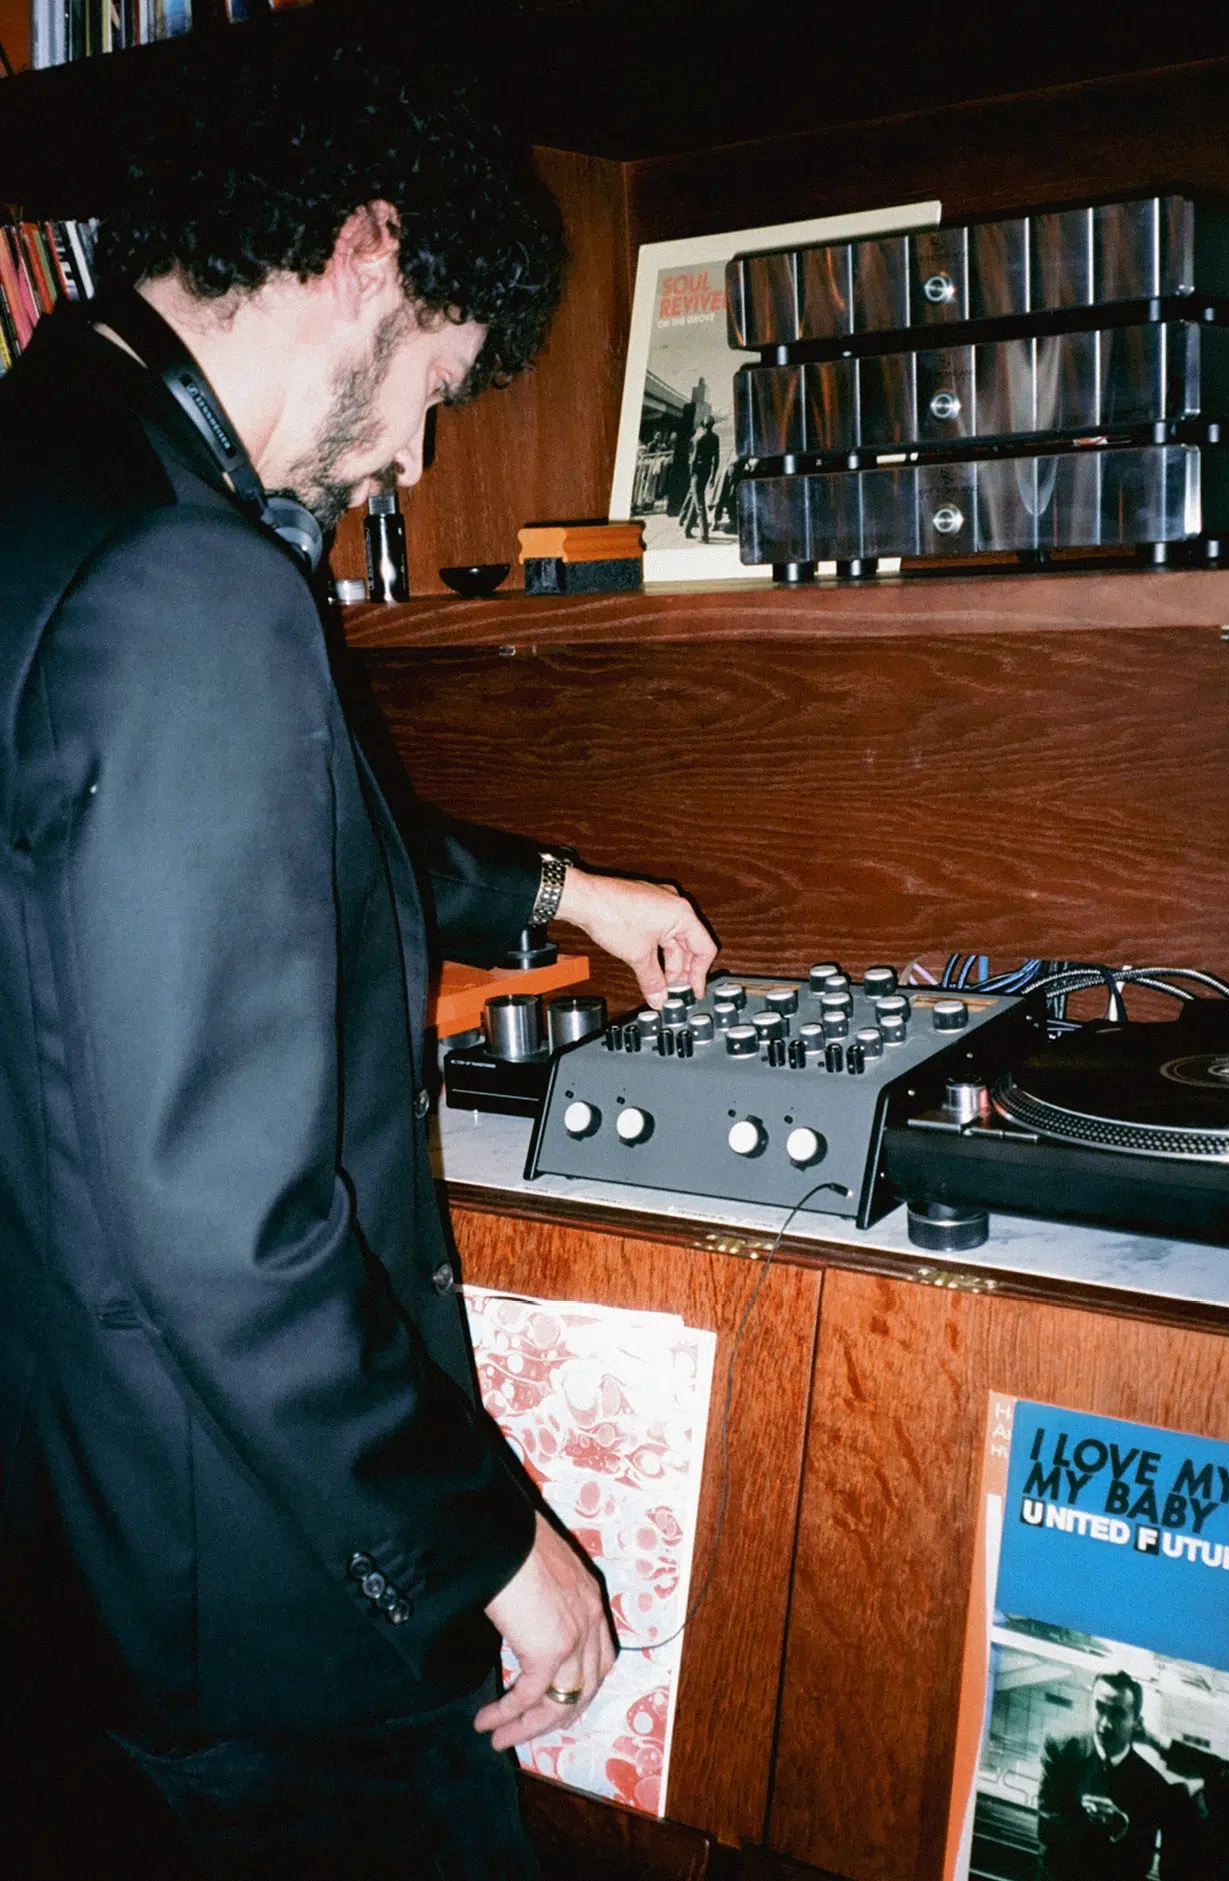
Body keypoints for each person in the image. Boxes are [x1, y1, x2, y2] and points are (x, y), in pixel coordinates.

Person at [0, 30, 715, 1881]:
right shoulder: (198, 577)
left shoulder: (45, 470)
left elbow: (212, 854)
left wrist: (553, 888)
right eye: (436, 390)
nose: (407, 457)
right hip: (252, 1605)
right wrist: (492, 1544)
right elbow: (224, 1222)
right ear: (368, 254)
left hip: (70, 1549)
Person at [1038, 1671, 1181, 1881]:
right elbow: (1048, 1831)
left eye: (1117, 1713)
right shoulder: (1060, 1751)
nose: (1105, 1724)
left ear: (1136, 1722)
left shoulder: (1153, 1787)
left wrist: (1121, 1830)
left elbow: (1140, 1865)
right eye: (1099, 1708)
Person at [680, 413, 721, 541]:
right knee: (695, 498)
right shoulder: (715, 438)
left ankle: (704, 535)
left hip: (697, 472)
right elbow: (716, 458)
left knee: (699, 504)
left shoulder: (699, 438)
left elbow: (693, 459)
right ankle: (687, 529)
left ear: (703, 425)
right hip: (707, 471)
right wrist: (713, 476)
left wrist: (691, 474)